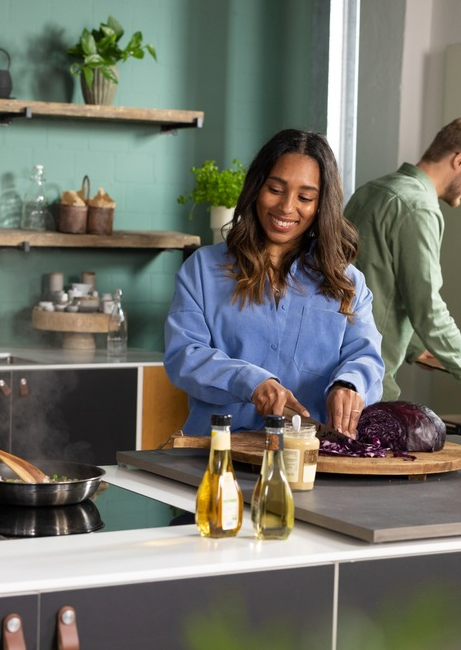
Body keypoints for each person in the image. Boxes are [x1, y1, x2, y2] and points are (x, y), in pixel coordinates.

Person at [165, 129, 385, 437]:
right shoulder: (202, 269)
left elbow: (366, 356)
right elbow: (184, 355)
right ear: (256, 187)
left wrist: (349, 384)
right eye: (275, 189)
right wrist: (250, 382)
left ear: (321, 205)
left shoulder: (348, 282)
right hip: (217, 455)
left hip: (309, 459)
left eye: (305, 197)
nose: (286, 207)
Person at [345, 115, 461, 401]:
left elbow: (373, 280)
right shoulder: (419, 208)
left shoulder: (373, 190)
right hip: (368, 380)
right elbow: (428, 310)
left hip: (336, 367)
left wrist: (415, 346)